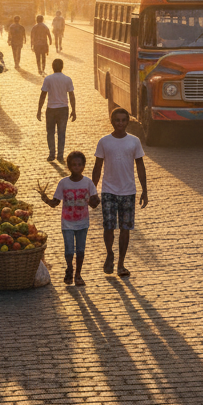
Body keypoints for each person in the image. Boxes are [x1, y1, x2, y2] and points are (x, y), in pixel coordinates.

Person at [91, 108, 148, 277]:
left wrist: (145, 190)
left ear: (127, 122)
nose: (120, 123)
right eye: (117, 120)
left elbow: (140, 166)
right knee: (108, 226)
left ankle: (121, 263)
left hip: (128, 192)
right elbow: (97, 167)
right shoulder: (104, 142)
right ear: (112, 121)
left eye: (123, 120)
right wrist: (92, 190)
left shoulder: (134, 142)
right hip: (108, 190)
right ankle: (110, 253)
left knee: (125, 228)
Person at [39, 151, 100, 286]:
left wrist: (96, 200)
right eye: (74, 165)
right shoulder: (63, 183)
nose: (77, 167)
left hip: (83, 223)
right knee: (69, 250)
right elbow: (56, 202)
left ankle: (78, 274)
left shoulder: (88, 183)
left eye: (79, 165)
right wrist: (46, 200)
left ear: (84, 166)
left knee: (80, 250)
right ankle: (70, 268)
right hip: (67, 222)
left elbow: (95, 203)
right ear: (69, 166)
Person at [37, 58, 76, 163]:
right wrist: (74, 109)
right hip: (63, 109)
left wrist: (39, 109)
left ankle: (51, 153)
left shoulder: (48, 79)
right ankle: (60, 155)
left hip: (51, 109)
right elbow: (71, 95)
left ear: (52, 67)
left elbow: (43, 95)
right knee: (61, 133)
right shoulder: (67, 79)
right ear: (62, 67)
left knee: (50, 132)